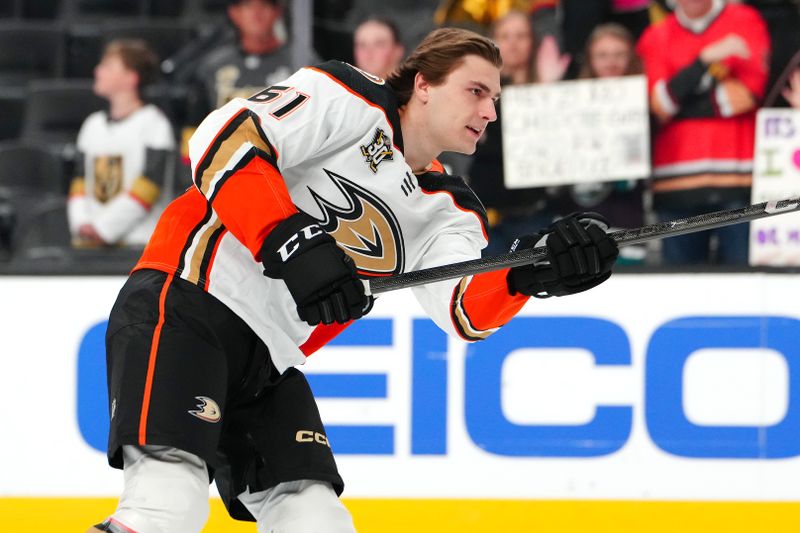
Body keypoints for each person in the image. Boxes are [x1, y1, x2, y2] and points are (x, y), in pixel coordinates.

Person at [88, 28, 618, 533]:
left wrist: (531, 271)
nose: (489, 111)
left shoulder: (451, 210)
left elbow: (462, 310)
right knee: (167, 506)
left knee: (315, 518)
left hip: (269, 361)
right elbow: (220, 138)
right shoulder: (346, 96)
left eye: (495, 99)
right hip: (187, 304)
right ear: (424, 85)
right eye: (476, 90)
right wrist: (290, 241)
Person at [636, 0, 770, 265]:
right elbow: (659, 105)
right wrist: (704, 60)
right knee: (682, 289)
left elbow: (746, 95)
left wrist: (680, 99)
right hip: (675, 184)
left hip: (737, 180)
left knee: (741, 289)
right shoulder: (656, 35)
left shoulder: (745, 20)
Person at [468, 10, 566, 256]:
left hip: (535, 214)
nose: (512, 43)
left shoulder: (549, 87)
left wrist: (548, 91)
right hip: (488, 217)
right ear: (493, 42)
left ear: (533, 41)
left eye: (521, 35)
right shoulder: (475, 92)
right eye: (505, 36)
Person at [67, 39, 175, 248]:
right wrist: (81, 223)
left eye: (107, 66)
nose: (98, 71)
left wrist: (103, 229)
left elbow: (149, 186)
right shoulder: (92, 125)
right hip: (91, 246)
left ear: (130, 78)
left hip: (140, 245)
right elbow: (79, 181)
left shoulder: (154, 124)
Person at [560, 23, 647, 263]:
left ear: (631, 58)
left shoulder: (645, 104)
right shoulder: (564, 104)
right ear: (590, 59)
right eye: (603, 55)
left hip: (627, 224)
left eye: (619, 54)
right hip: (576, 226)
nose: (611, 62)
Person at [182, 0, 294, 160]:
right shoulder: (212, 67)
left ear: (277, 12)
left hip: (286, 163)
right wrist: (190, 171)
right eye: (248, 5)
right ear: (234, 13)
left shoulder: (300, 62)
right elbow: (194, 124)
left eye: (264, 5)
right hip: (226, 167)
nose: (256, 13)